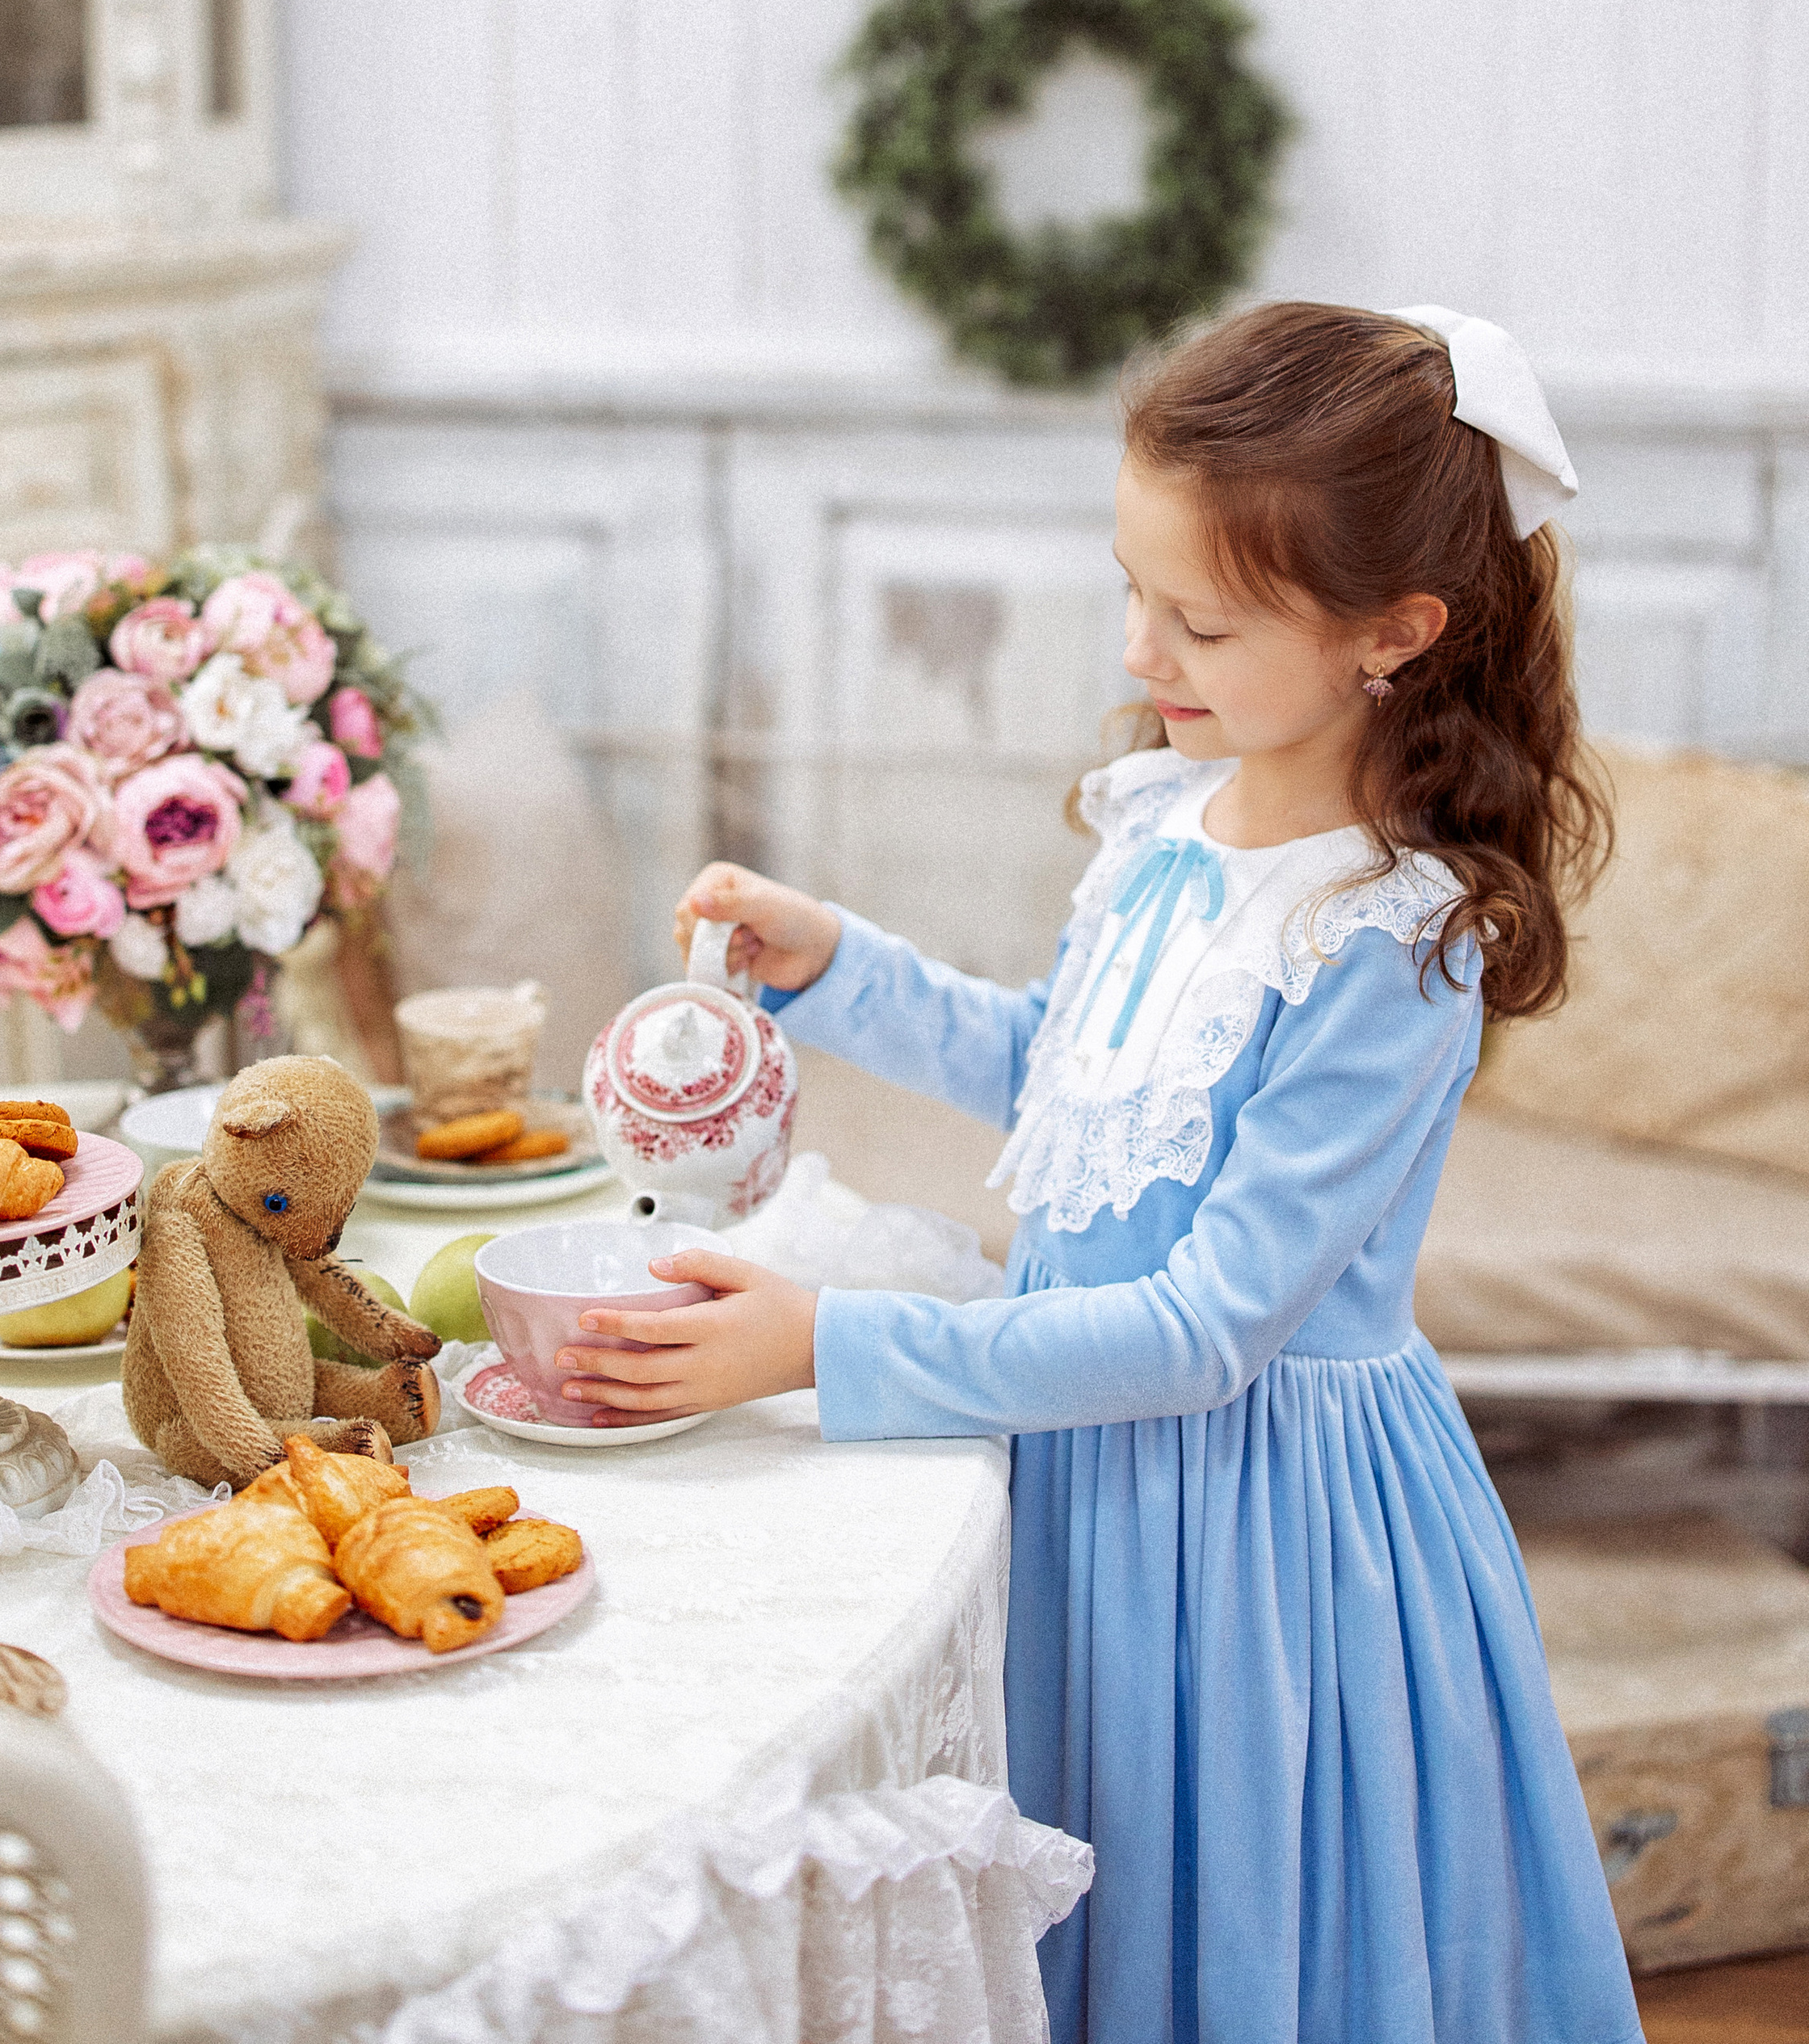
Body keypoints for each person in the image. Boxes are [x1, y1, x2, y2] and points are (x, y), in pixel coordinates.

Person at [554, 301, 1645, 2044]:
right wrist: (831, 962)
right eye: (1131, 589)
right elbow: (1051, 1072)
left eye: (1199, 619)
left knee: (1231, 1912)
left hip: (1256, 1538)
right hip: (1084, 1480)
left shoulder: (1391, 944)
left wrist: (826, 1346)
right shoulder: (1163, 822)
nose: (1141, 646)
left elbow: (1205, 1328)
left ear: (1395, 633)